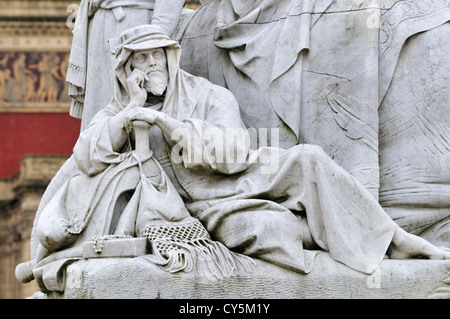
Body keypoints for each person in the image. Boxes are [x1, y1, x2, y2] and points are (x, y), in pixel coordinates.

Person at [17, 25, 450, 294]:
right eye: (140, 61)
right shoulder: (118, 111)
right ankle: (360, 253)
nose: (150, 67)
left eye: (156, 56)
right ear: (126, 70)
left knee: (308, 158)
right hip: (204, 209)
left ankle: (397, 243)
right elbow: (87, 156)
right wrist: (133, 112)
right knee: (272, 228)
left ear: (170, 56)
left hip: (237, 181)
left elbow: (235, 153)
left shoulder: (207, 96)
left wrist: (171, 126)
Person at [67, 0, 186, 130]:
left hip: (137, 28)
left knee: (138, 117)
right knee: (98, 124)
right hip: (99, 29)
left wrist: (154, 39)